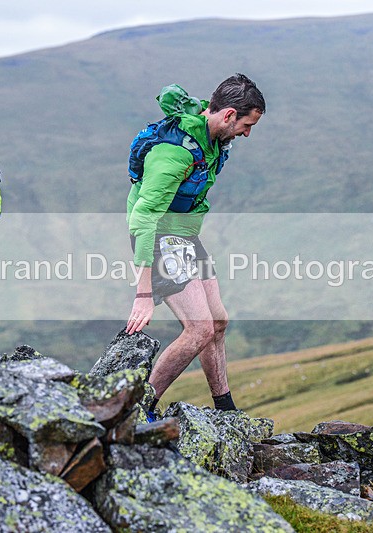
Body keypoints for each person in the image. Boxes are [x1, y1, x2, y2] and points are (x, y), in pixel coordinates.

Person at [125, 74, 265, 417]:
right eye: (247, 125)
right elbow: (143, 217)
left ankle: (225, 410)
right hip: (157, 235)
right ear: (229, 115)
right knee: (199, 328)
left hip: (183, 234)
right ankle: (138, 408)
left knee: (217, 322)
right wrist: (144, 292)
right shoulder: (174, 152)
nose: (247, 134)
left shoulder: (212, 133)